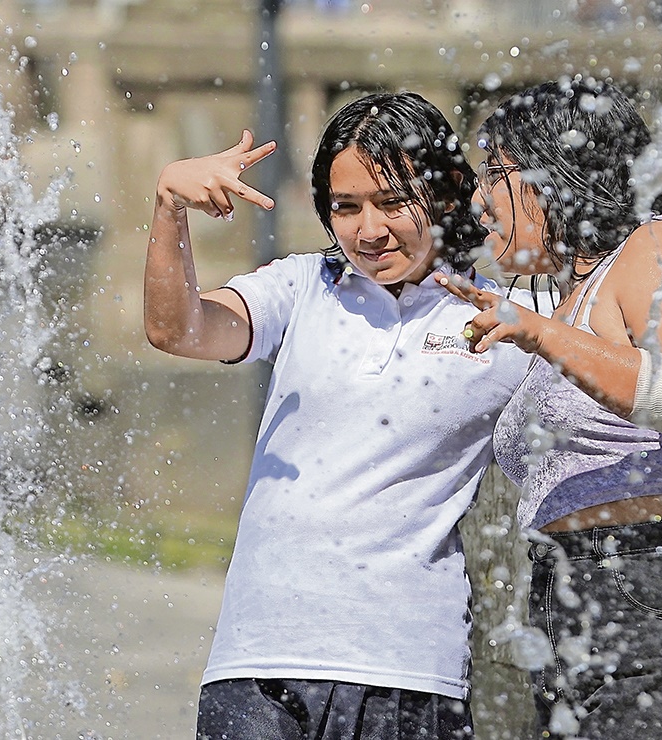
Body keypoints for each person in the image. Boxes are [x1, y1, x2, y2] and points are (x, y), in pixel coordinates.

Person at [143, 91, 534, 739]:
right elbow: (176, 331)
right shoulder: (299, 288)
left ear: (449, 190)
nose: (368, 230)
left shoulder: (500, 321)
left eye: (391, 201)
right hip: (256, 663)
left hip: (407, 672)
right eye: (345, 207)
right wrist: (168, 208)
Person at [438, 78, 662, 739]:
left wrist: (539, 332)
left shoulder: (661, 249)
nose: (478, 199)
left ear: (557, 171)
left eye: (495, 172)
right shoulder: (573, 296)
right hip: (577, 598)